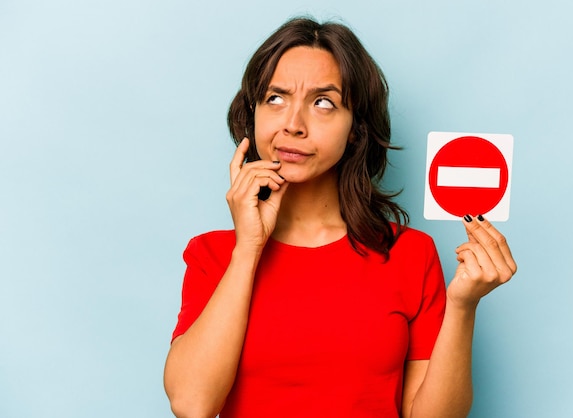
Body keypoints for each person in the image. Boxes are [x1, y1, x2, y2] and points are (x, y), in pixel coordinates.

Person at [163, 16, 517, 418]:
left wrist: (462, 307)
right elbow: (192, 405)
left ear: (356, 129)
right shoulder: (211, 254)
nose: (293, 125)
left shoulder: (410, 255)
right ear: (253, 114)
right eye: (275, 98)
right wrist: (247, 248)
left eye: (323, 103)